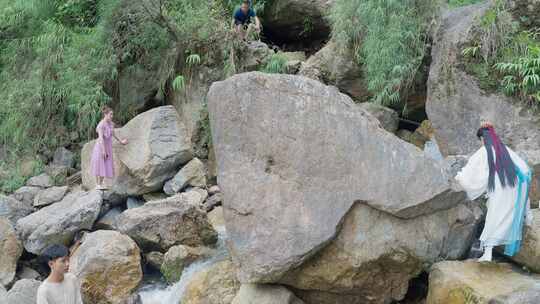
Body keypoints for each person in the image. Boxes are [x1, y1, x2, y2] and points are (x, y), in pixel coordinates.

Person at [456, 121, 533, 262]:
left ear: (482, 139)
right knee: (504, 217)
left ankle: (488, 253)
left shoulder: (485, 150)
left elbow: (473, 173)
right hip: (517, 188)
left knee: (494, 216)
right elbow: (525, 169)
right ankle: (527, 218)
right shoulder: (504, 149)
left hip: (503, 189)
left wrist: (459, 178)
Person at [90, 106, 128, 190]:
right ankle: (97, 184)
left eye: (112, 114)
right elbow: (100, 138)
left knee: (106, 164)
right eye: (110, 114)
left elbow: (113, 134)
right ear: (105, 114)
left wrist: (121, 141)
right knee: (99, 164)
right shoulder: (101, 125)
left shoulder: (111, 124)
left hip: (108, 147)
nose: (112, 116)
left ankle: (100, 183)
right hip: (100, 147)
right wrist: (103, 150)